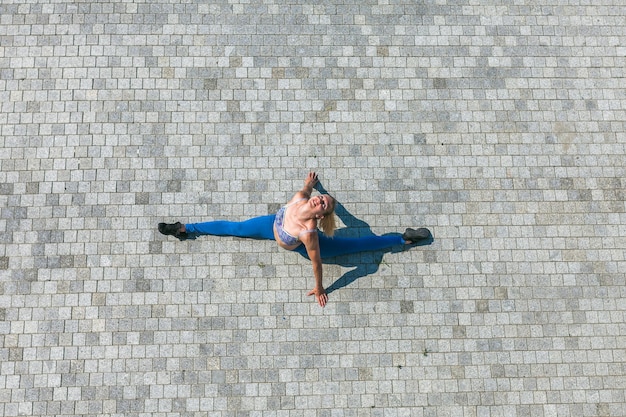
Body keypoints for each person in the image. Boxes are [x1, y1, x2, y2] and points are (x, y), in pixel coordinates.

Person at [158, 172, 430, 307]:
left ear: (322, 213)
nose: (320, 199)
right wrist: (312, 184)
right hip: (270, 226)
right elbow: (305, 189)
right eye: (321, 198)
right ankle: (184, 228)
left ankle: (403, 239)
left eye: (323, 203)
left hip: (297, 243)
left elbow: (316, 262)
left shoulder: (309, 231)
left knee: (361, 243)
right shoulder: (302, 197)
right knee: (236, 227)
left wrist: (321, 288)